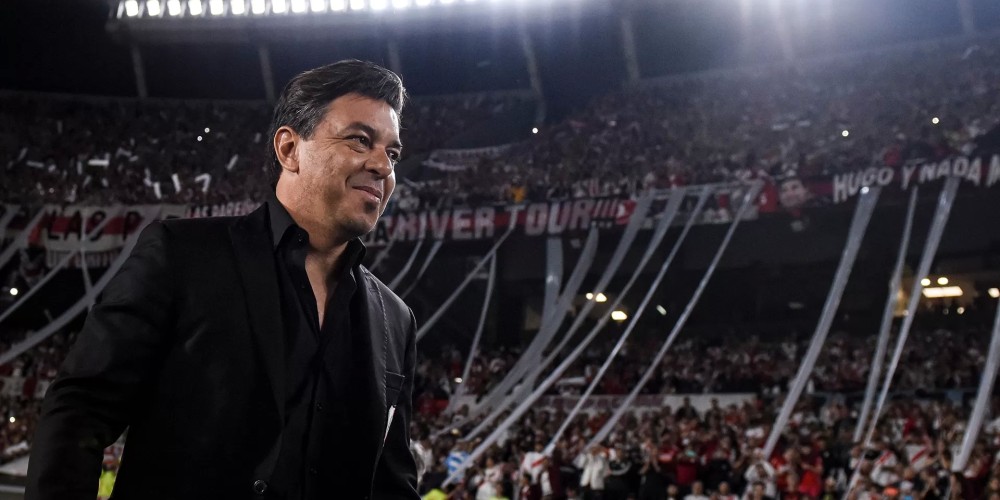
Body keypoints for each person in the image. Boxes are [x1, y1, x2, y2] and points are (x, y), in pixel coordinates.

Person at [26, 60, 419, 500]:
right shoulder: (181, 255)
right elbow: (81, 409)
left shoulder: (396, 320)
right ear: (289, 149)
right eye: (360, 140)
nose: (383, 166)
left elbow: (392, 483)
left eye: (392, 153)